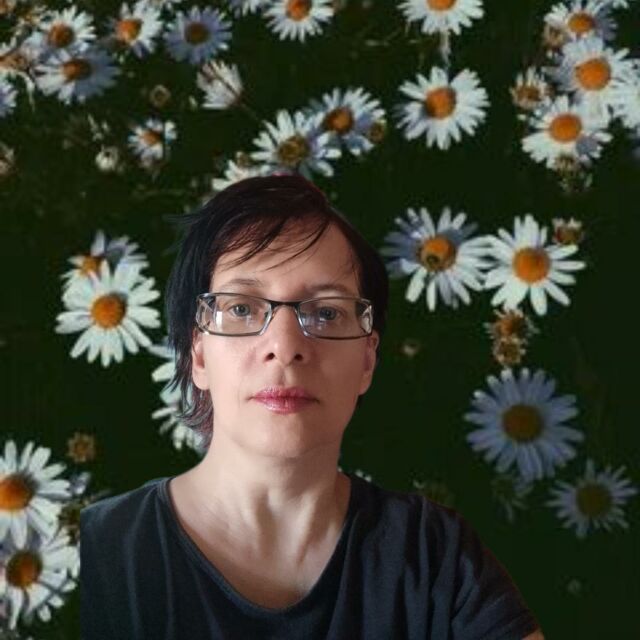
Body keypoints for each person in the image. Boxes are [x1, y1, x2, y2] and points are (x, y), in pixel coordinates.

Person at [80, 175, 544, 639]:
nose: (285, 347)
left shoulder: (435, 557)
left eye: (326, 312)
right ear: (197, 355)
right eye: (241, 308)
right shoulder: (97, 554)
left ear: (367, 361)